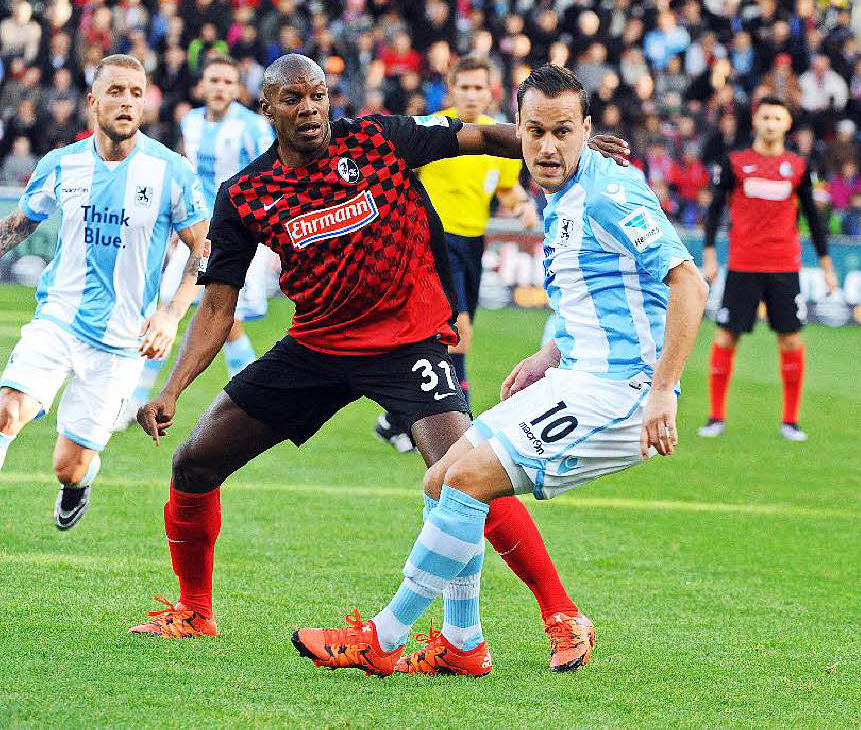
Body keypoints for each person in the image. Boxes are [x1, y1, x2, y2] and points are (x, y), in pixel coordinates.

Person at [128, 55, 630, 674]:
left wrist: (562, 153)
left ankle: (561, 614)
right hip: (317, 347)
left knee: (466, 471)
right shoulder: (245, 194)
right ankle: (194, 609)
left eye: (317, 96)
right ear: (268, 111)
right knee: (195, 461)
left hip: (409, 340)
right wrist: (172, 389)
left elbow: (474, 136)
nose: (310, 110)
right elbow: (216, 306)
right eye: (293, 100)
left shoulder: (375, 139)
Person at [290, 64, 709, 677]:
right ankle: (464, 643)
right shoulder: (561, 193)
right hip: (579, 375)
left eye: (563, 132)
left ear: (586, 130)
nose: (546, 146)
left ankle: (381, 638)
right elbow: (601, 294)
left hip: (620, 393)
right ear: (519, 128)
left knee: (464, 483)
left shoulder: (608, 193)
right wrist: (549, 354)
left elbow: (687, 284)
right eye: (534, 130)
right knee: (441, 478)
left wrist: (663, 391)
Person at [0, 54, 208, 529]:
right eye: (116, 91)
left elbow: (204, 247)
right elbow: (17, 227)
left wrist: (172, 313)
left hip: (121, 341)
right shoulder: (62, 164)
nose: (127, 102)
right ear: (94, 102)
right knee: (7, 410)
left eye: (136, 93)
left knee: (67, 466)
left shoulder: (170, 171)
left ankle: (80, 479)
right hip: (59, 317)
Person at [374, 55, 539, 453]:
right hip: (432, 241)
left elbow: (505, 186)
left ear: (490, 92)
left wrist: (522, 206)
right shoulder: (433, 129)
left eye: (478, 88)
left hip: (471, 244)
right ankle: (458, 421)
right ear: (451, 90)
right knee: (457, 332)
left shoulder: (499, 136)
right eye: (463, 87)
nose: (470, 94)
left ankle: (395, 418)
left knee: (449, 335)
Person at [116, 55, 275, 429]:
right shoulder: (190, 121)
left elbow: (272, 176)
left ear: (237, 89)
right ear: (202, 86)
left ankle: (257, 402)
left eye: (227, 82)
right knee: (168, 312)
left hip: (240, 238)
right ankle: (134, 402)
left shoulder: (252, 128)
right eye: (213, 81)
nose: (219, 88)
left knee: (228, 319)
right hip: (197, 236)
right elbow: (186, 175)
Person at [699, 96, 838, 442]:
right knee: (725, 336)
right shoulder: (735, 163)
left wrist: (826, 266)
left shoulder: (799, 167)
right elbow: (714, 211)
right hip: (743, 264)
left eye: (778, 117)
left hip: (783, 266)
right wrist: (710, 255)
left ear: (787, 123)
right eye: (766, 117)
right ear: (756, 122)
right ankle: (716, 416)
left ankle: (790, 421)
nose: (771, 123)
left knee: (790, 340)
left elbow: (814, 220)